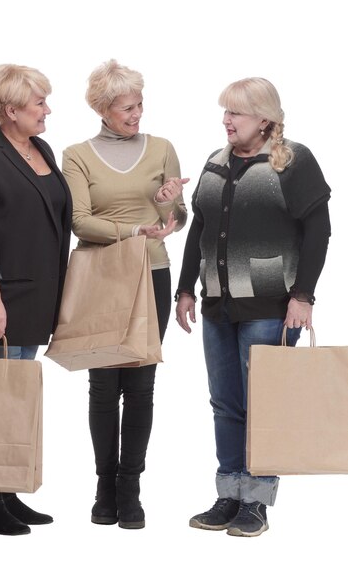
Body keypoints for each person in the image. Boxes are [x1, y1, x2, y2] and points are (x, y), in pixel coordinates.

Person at [176, 77, 331, 537]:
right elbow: (198, 230)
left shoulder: (294, 161)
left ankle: (257, 502)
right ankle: (229, 493)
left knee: (264, 404)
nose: (226, 120)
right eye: (224, 111)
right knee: (225, 403)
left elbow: (318, 232)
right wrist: (186, 289)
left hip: (271, 307)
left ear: (264, 119)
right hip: (218, 307)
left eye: (236, 113)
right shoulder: (215, 162)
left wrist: (302, 296)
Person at [62, 59, 188, 529]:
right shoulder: (77, 153)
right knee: (102, 387)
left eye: (139, 104)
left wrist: (167, 204)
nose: (136, 114)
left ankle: (130, 488)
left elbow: (178, 220)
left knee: (140, 388)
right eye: (125, 108)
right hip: (101, 276)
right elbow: (79, 220)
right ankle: (103, 487)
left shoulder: (162, 148)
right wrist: (135, 227)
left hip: (151, 274)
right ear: (102, 109)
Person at [0, 64, 73, 536]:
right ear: (10, 111)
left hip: (37, 296)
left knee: (19, 401)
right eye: (39, 103)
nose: (47, 110)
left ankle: (7, 492)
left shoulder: (38, 149)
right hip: (0, 303)